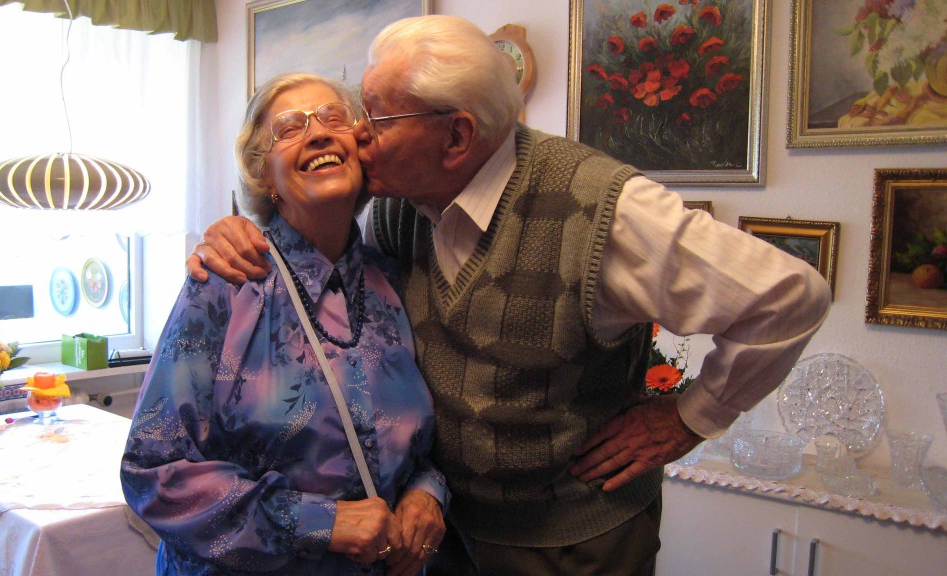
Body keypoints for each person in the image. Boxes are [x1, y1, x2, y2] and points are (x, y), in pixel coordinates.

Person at [187, 15, 831, 576]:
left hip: (571, 545)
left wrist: (689, 420)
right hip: (438, 534)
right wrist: (234, 230)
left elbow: (789, 295)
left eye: (375, 119)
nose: (356, 137)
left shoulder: (606, 211)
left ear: (458, 137)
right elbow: (303, 225)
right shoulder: (394, 205)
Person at [121, 72, 448, 576]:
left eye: (332, 119)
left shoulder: (395, 282)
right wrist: (322, 523)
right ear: (263, 178)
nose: (317, 133)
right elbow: (153, 472)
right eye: (290, 129)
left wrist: (428, 495)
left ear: (360, 151)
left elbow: (420, 441)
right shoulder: (225, 284)